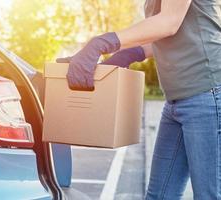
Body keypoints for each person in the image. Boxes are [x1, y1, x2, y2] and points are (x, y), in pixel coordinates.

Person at [57, 0, 221, 199]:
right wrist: (130, 54)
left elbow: (169, 22)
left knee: (209, 195)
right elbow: (163, 34)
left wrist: (102, 43)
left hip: (207, 93)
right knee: (159, 195)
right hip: (176, 100)